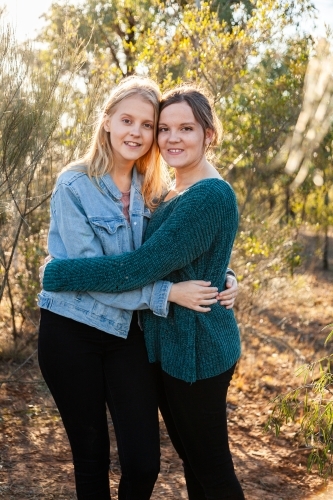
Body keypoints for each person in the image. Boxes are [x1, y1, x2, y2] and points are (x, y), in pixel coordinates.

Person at [38, 77, 238, 500]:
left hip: (149, 336)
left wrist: (225, 275)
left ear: (208, 135)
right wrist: (179, 290)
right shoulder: (84, 185)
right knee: (95, 459)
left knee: (163, 465)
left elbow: (155, 260)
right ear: (106, 121)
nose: (146, 133)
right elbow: (155, 260)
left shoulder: (169, 192)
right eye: (134, 121)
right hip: (80, 329)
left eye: (150, 125)